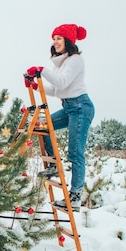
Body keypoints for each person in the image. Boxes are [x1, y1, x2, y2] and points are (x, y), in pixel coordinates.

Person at [26, 23, 95, 211]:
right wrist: (35, 86)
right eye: (54, 38)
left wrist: (42, 71)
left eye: (59, 38)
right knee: (43, 125)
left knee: (75, 152)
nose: (55, 42)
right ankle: (53, 164)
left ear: (68, 41)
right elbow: (57, 90)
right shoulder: (60, 62)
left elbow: (63, 83)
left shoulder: (75, 60)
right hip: (69, 107)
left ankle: (75, 197)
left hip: (81, 107)